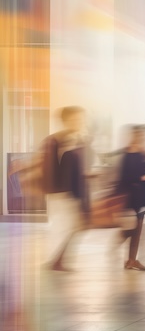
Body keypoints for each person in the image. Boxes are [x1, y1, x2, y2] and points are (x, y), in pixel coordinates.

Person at [40, 107, 92, 271]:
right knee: (66, 226)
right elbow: (49, 168)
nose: (79, 122)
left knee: (75, 226)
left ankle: (58, 260)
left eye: (81, 119)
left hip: (76, 191)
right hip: (61, 193)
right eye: (75, 119)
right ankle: (56, 260)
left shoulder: (81, 140)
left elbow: (79, 168)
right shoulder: (54, 140)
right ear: (65, 121)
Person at [117, 125, 145, 271]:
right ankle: (130, 259)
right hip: (133, 199)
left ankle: (131, 260)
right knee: (134, 230)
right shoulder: (128, 155)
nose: (144, 140)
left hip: (143, 199)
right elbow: (125, 178)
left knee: (137, 231)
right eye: (141, 137)